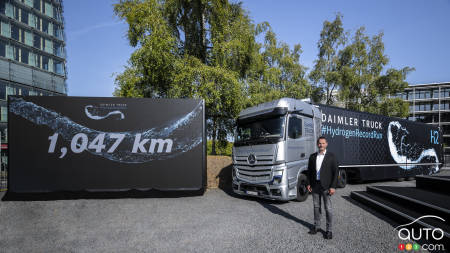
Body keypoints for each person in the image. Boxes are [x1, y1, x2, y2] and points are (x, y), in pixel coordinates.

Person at [306, 136, 338, 240]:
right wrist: (309, 183)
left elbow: (335, 172)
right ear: (317, 144)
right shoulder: (312, 157)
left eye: (323, 143)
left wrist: (333, 186)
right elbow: (309, 172)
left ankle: (329, 230)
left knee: (328, 208)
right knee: (316, 207)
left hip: (326, 186)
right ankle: (317, 226)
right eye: (319, 143)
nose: (321, 145)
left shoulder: (331, 156)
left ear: (326, 144)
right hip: (315, 185)